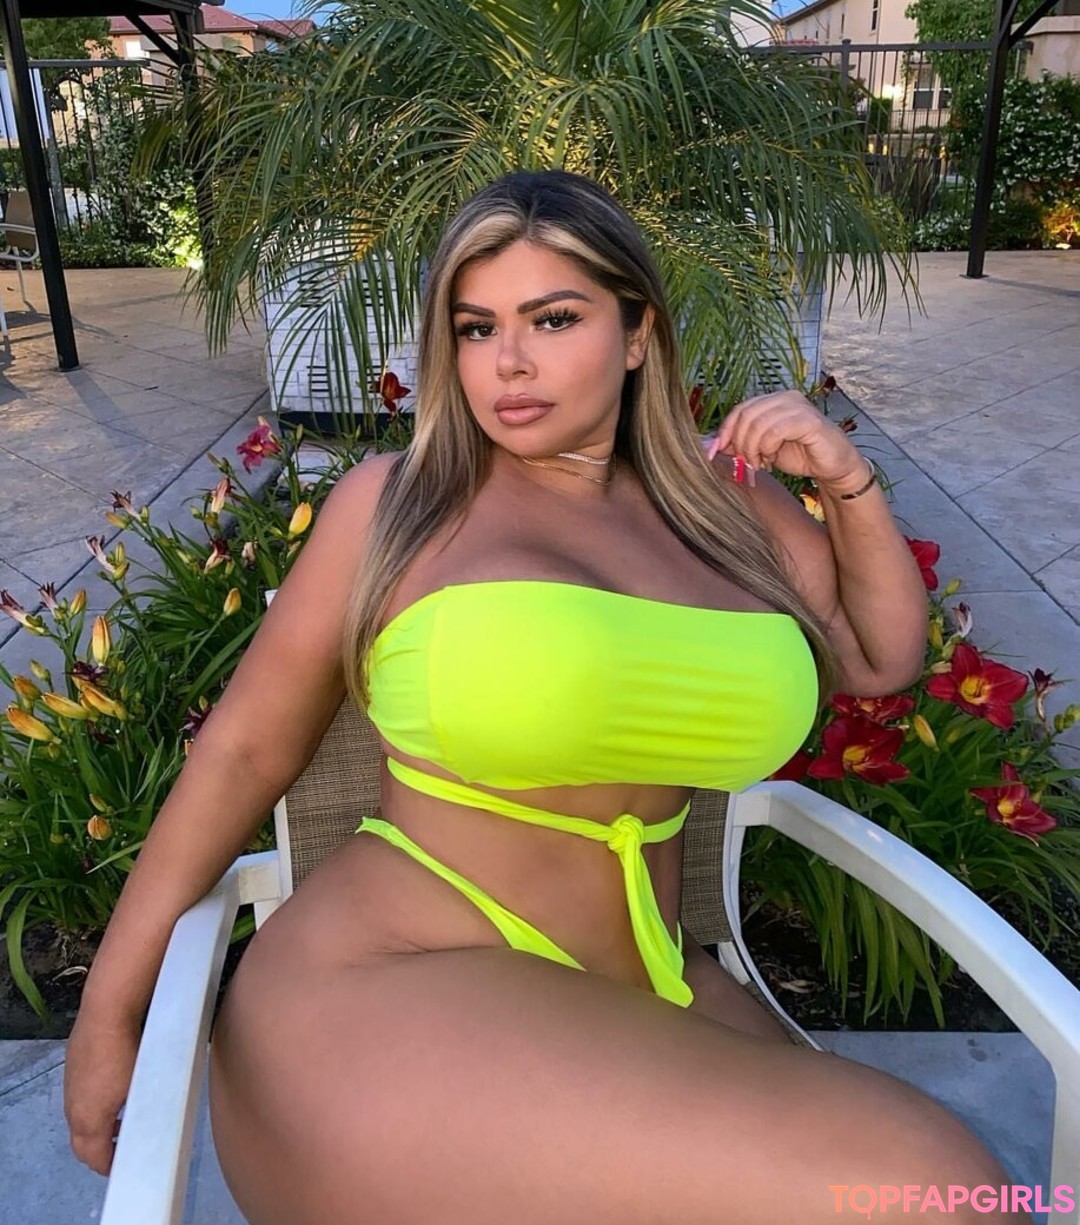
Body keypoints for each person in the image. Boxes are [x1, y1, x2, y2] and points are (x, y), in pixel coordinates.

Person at [64, 170, 1027, 1224]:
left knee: (933, 1195)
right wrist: (111, 1009)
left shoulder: (726, 507)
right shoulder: (397, 506)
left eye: (553, 318)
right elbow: (246, 749)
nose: (508, 362)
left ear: (637, 333)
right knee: (940, 1187)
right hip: (394, 982)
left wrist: (844, 481)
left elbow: (879, 657)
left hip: (651, 979)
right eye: (476, 328)